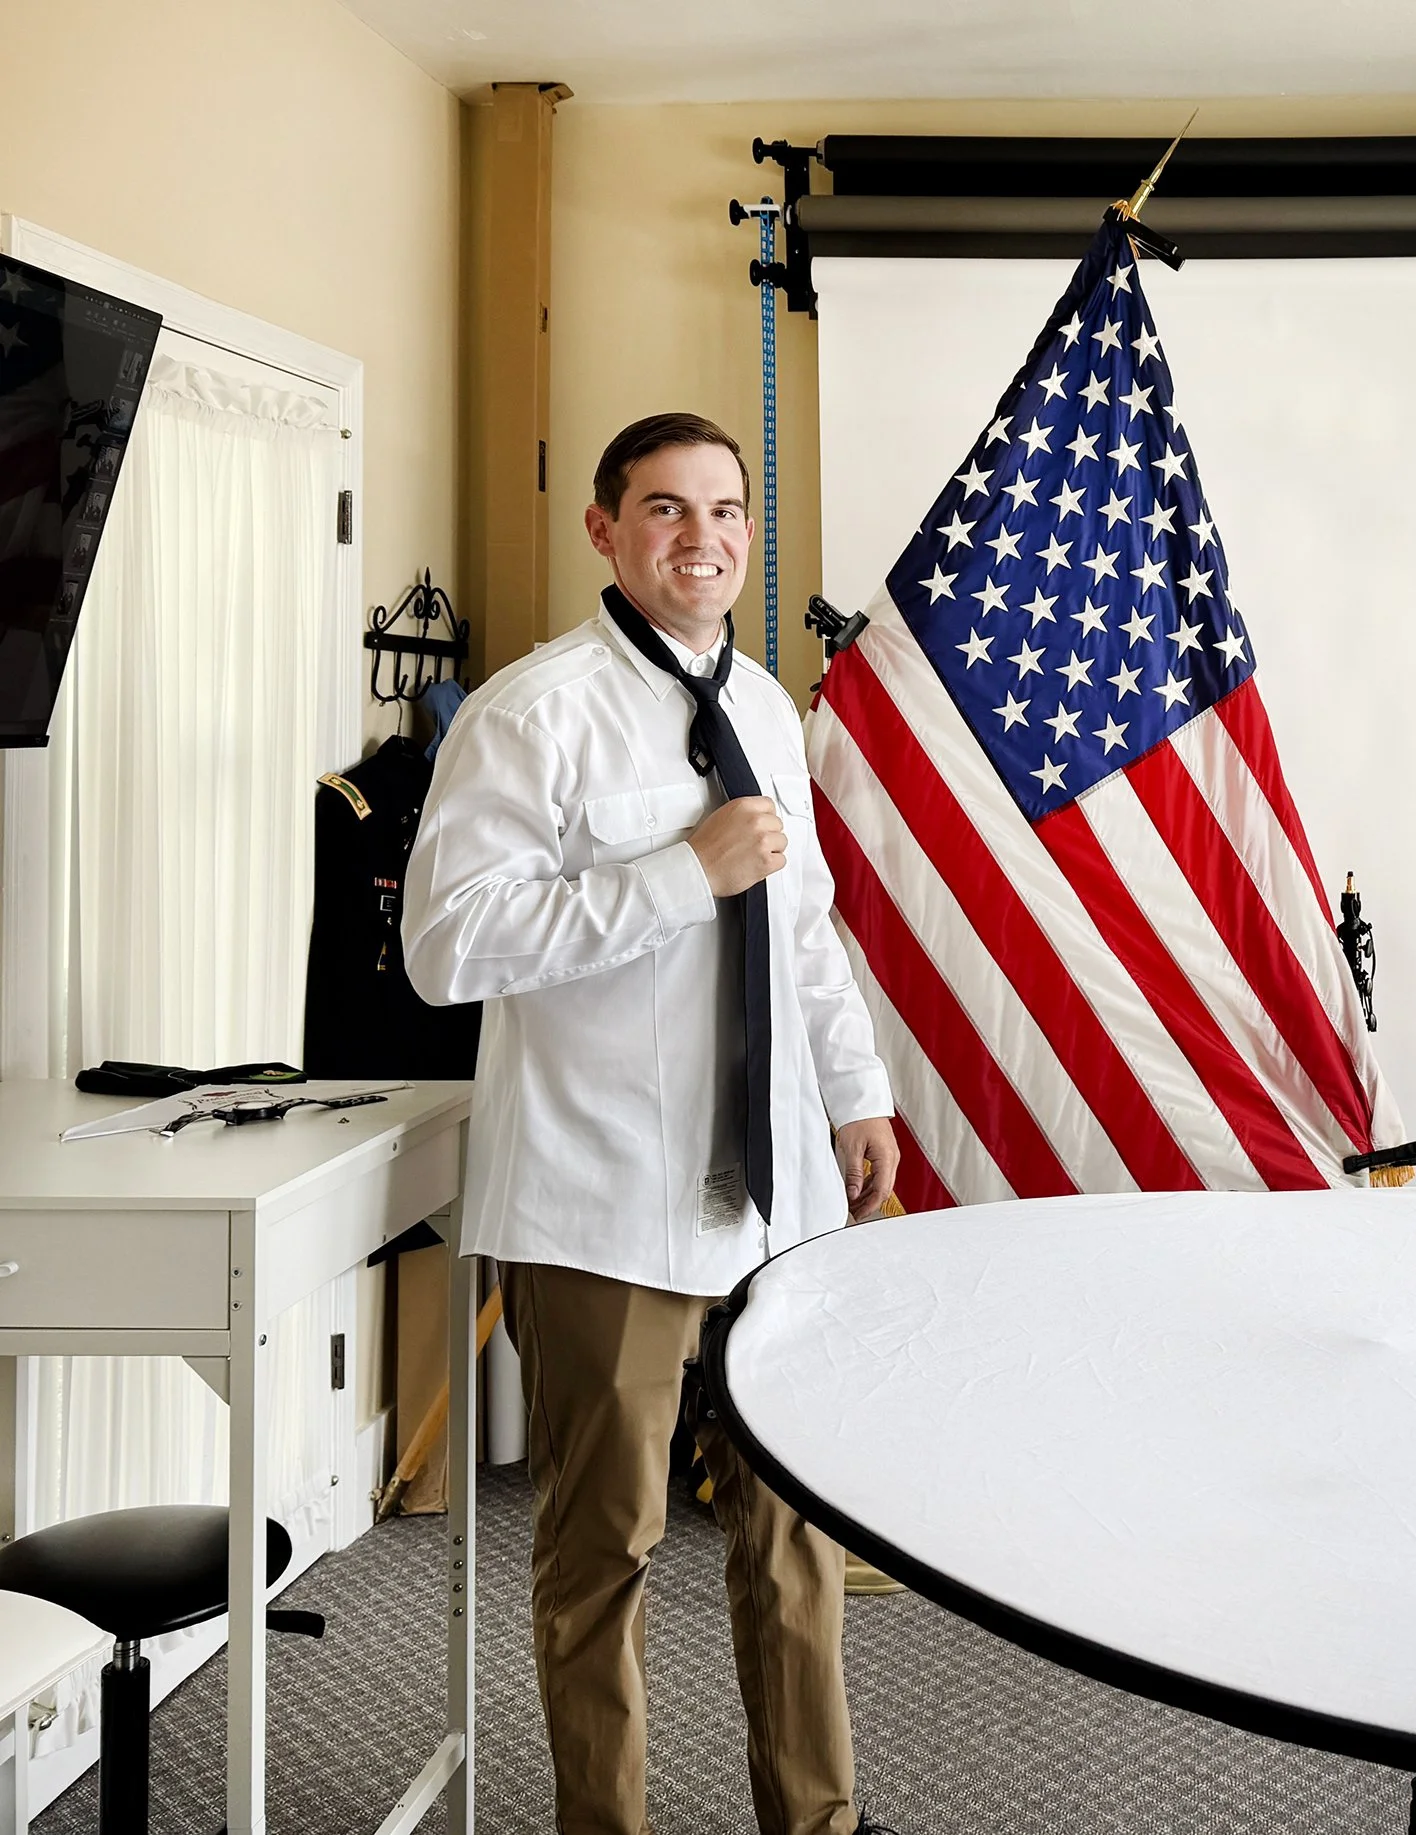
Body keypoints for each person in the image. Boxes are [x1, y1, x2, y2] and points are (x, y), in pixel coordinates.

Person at [402, 411, 900, 1835]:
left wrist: (853, 1090)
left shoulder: (765, 711)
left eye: (726, 511)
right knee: (601, 1550)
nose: (703, 539)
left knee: (794, 1535)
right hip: (603, 1200)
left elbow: (801, 924)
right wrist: (681, 872)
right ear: (604, 531)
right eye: (667, 510)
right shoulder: (530, 714)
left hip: (776, 1197)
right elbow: (447, 947)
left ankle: (817, 1821)